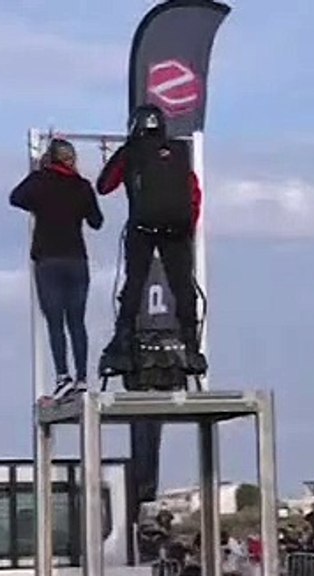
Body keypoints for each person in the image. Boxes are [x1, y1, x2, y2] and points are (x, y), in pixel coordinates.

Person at [96, 103, 205, 374]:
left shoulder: (131, 152)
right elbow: (192, 192)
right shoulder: (180, 152)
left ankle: (122, 341)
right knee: (183, 287)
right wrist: (187, 227)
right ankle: (191, 347)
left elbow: (104, 185)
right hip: (177, 229)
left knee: (134, 284)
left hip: (143, 227)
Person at [10, 137, 104, 399]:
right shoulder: (82, 186)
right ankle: (83, 378)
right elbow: (97, 221)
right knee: (77, 321)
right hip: (77, 259)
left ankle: (63, 376)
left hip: (48, 259)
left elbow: (15, 198)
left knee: (55, 321)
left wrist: (38, 175)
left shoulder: (41, 182)